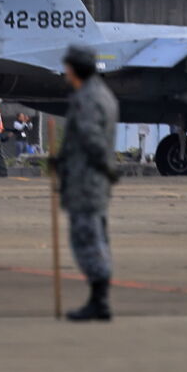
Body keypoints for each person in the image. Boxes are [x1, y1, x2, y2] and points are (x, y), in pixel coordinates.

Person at [52, 44, 119, 322]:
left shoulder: (87, 99)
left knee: (88, 240)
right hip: (92, 180)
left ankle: (99, 301)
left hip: (86, 181)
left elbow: (92, 139)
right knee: (96, 237)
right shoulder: (102, 94)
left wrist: (104, 166)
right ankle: (98, 299)